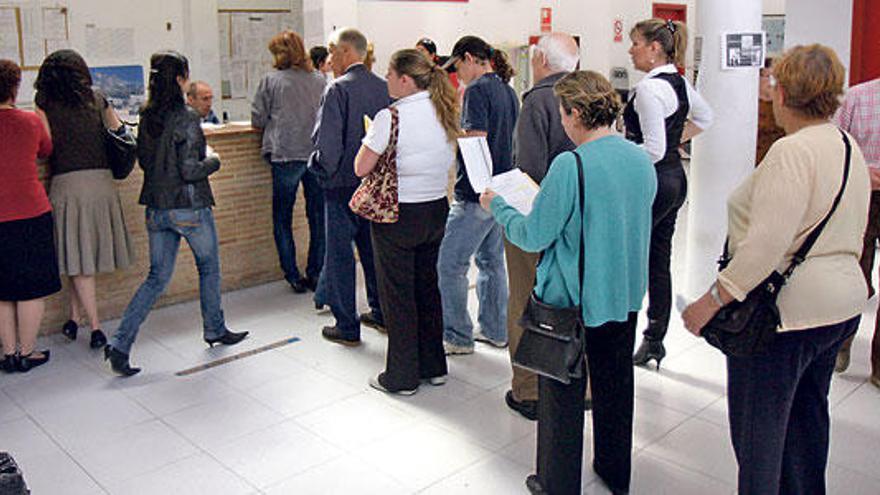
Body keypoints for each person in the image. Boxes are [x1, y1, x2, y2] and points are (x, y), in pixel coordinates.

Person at [683, 44, 870, 494]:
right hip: (839, 307)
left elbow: (765, 248)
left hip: (786, 317)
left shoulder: (792, 152)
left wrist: (710, 302)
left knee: (759, 435)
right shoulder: (846, 146)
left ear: (782, 92)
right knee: (807, 422)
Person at [482, 71, 655, 495]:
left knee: (561, 398)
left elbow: (533, 235)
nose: (561, 122)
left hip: (573, 302)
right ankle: (615, 471)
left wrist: (499, 207)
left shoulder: (570, 164)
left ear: (576, 113)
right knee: (616, 387)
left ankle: (556, 483)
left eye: (562, 113)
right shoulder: (639, 158)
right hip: (625, 295)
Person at [106, 51, 248, 376]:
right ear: (181, 79)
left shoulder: (147, 115)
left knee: (155, 278)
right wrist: (214, 159)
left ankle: (120, 344)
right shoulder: (186, 116)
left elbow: (145, 162)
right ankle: (215, 329)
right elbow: (189, 169)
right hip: (189, 207)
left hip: (156, 208)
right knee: (209, 268)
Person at [356, 49, 459, 394]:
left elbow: (361, 167)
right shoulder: (444, 108)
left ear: (404, 79)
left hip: (397, 214)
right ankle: (433, 366)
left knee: (398, 295)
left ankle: (401, 376)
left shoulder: (391, 116)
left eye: (388, 73)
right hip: (434, 209)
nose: (385, 79)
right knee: (427, 288)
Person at [625, 18, 713, 369]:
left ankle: (629, 333)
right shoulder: (677, 81)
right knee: (658, 260)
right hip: (675, 179)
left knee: (633, 259)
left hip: (654, 181)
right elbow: (706, 118)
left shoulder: (648, 89)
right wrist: (677, 139)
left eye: (635, 43)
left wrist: (621, 157)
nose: (630, 50)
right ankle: (654, 339)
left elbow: (653, 150)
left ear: (654, 48)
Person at [34, 49, 135, 350]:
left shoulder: (43, 102)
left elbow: (46, 146)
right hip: (101, 183)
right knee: (82, 256)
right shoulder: (98, 97)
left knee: (78, 259)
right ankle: (73, 319)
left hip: (67, 183)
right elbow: (119, 130)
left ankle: (95, 328)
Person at [504, 32, 578, 420]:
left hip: (543, 215)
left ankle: (529, 389)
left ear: (540, 60)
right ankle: (579, 381)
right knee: (575, 300)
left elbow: (528, 170)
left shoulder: (537, 100)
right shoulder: (586, 94)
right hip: (582, 222)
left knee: (525, 297)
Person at [437, 35, 518, 355]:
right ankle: (497, 330)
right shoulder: (508, 91)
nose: (458, 74)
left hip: (475, 196)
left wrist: (453, 133)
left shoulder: (477, 91)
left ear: (470, 58)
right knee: (491, 262)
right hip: (501, 192)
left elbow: (476, 143)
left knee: (449, 265)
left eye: (457, 66)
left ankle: (457, 336)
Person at [308, 28, 389, 346]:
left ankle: (346, 325)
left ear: (345, 53)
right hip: (375, 186)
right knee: (373, 252)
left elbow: (327, 146)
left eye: (332, 54)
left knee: (340, 256)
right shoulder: (385, 88)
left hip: (341, 187)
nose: (329, 61)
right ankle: (381, 312)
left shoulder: (336, 91)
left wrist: (317, 170)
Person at [252, 31, 327, 294]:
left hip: (285, 155)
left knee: (282, 217)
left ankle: (293, 275)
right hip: (315, 155)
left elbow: (258, 119)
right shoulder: (320, 79)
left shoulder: (271, 81)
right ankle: (316, 272)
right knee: (318, 217)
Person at [0, 59, 60, 373]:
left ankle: (8, 353)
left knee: (3, 288)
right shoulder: (29, 122)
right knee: (30, 287)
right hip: (30, 211)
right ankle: (27, 351)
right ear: (15, 87)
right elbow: (46, 150)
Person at [833, 75, 880, 388]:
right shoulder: (857, 96)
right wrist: (862, 170)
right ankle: (842, 341)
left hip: (865, 193)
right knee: (853, 272)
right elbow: (836, 144)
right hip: (860, 194)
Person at [756, 57, 785, 165]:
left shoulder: (784, 106)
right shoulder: (750, 105)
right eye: (768, 76)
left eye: (775, 77)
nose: (772, 82)